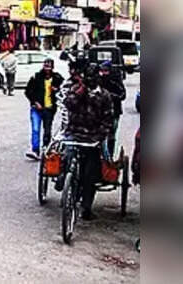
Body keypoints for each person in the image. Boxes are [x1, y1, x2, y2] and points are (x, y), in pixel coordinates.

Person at [61, 63, 115, 220]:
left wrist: (101, 135)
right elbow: (68, 104)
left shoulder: (104, 95)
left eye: (94, 77)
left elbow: (108, 119)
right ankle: (64, 184)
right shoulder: (75, 90)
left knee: (91, 173)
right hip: (74, 135)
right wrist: (80, 92)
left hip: (93, 139)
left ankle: (86, 207)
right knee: (67, 158)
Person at [23, 58, 64, 160]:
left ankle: (46, 149)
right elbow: (28, 91)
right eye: (45, 66)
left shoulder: (57, 78)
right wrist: (35, 102)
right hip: (37, 108)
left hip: (49, 109)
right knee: (35, 129)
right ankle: (35, 150)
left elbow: (64, 90)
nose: (47, 69)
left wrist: (57, 90)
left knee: (47, 130)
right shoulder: (36, 77)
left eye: (49, 67)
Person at [98, 60, 127, 156]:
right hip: (100, 113)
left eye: (106, 71)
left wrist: (110, 96)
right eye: (102, 71)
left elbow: (122, 95)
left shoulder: (115, 81)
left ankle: (109, 156)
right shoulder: (98, 80)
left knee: (111, 135)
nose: (103, 73)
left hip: (114, 112)